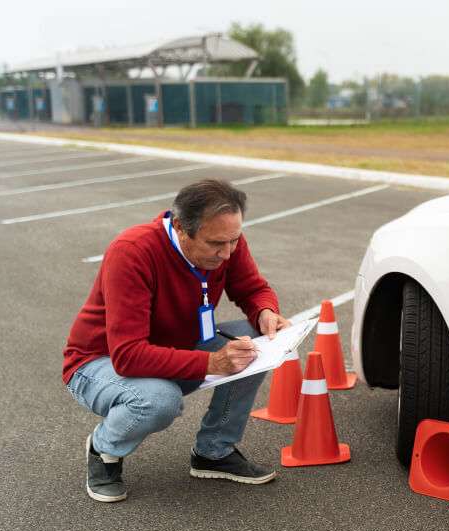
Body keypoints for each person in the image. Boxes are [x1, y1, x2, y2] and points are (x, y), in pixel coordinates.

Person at [63, 179, 291, 503]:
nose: (227, 253)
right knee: (160, 400)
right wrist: (212, 362)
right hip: (98, 362)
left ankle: (214, 452)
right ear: (182, 228)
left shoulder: (225, 239)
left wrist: (266, 312)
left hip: (174, 347)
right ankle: (104, 450)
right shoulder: (132, 252)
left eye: (234, 241)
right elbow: (127, 355)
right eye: (216, 244)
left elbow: (253, 289)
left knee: (254, 342)